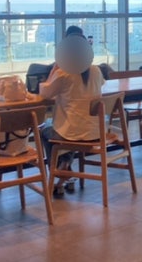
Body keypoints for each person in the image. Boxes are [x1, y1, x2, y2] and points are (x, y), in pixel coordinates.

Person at [39, 33, 105, 196]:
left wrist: (55, 68)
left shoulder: (64, 73)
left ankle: (58, 172)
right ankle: (65, 168)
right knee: (71, 128)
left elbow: (45, 93)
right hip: (96, 133)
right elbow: (101, 85)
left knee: (45, 131)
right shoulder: (96, 71)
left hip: (71, 134)